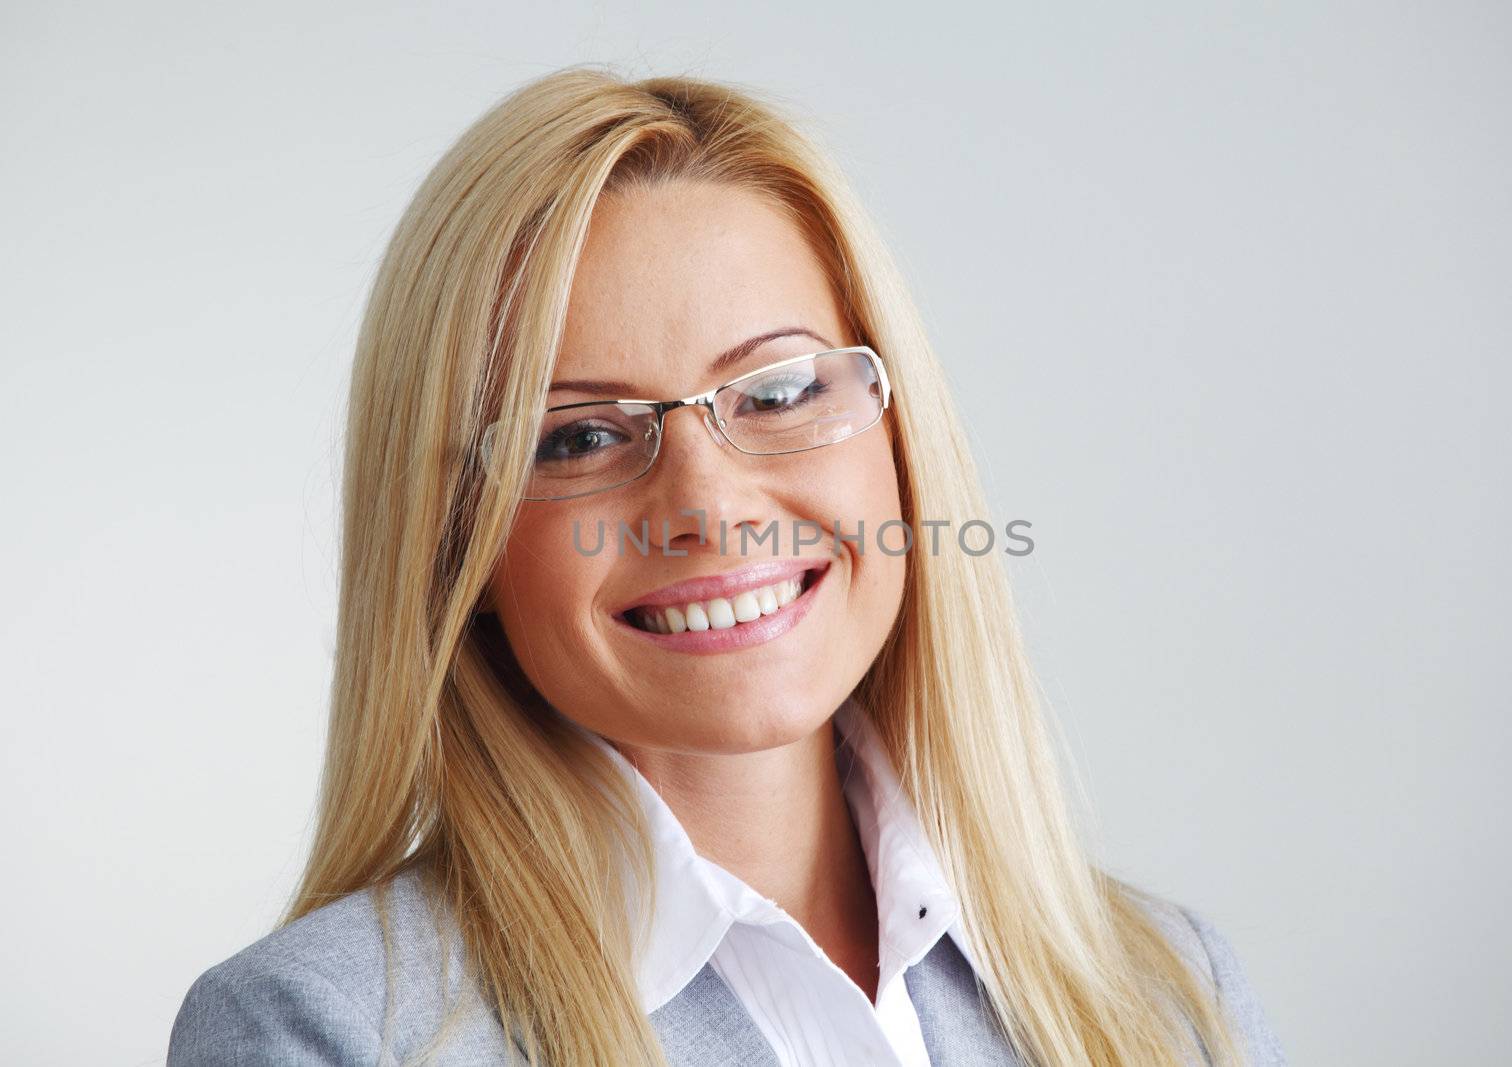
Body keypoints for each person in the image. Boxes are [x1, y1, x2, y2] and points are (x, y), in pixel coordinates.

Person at [167, 68, 1287, 1066]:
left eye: (783, 391)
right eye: (576, 436)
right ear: (454, 540)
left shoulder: (1168, 994)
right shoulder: (322, 1033)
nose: (708, 509)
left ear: (901, 437)